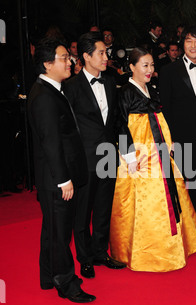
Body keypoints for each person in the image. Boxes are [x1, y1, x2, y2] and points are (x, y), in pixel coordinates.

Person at [109, 47, 196, 272]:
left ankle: (174, 244)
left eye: (152, 65)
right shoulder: (125, 92)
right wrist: (129, 156)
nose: (150, 70)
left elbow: (161, 120)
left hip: (161, 153)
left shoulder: (151, 90)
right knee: (147, 202)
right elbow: (120, 125)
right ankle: (150, 251)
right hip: (140, 156)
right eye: (145, 65)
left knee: (171, 195)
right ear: (131, 67)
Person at [27, 37, 95, 303]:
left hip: (58, 174)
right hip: (56, 177)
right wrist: (63, 179)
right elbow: (51, 143)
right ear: (47, 64)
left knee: (53, 230)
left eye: (69, 56)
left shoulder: (53, 89)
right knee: (60, 233)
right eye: (64, 57)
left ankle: (47, 276)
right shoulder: (44, 96)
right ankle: (66, 283)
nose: (70, 61)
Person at [64, 32, 136, 279]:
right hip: (84, 159)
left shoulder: (109, 82)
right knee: (83, 212)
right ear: (86, 56)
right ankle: (84, 258)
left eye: (106, 52)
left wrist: (127, 151)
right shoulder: (71, 87)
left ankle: (99, 252)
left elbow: (117, 121)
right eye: (101, 53)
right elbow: (66, 129)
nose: (106, 57)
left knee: (104, 208)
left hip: (108, 156)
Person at [159, 25, 196, 240]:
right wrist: (169, 138)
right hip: (179, 137)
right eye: (189, 41)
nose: (193, 46)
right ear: (182, 44)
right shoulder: (168, 71)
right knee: (181, 184)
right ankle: (181, 231)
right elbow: (164, 107)